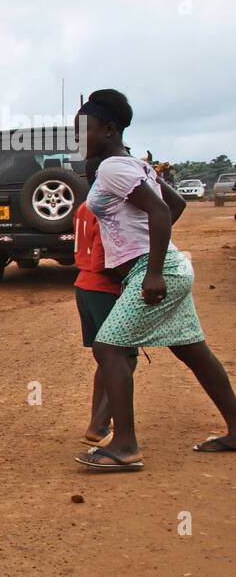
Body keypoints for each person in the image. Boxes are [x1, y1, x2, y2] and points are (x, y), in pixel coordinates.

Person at [75, 88, 236, 470]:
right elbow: (174, 204)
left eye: (86, 131)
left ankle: (125, 446)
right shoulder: (129, 163)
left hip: (156, 272)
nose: (79, 139)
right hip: (162, 268)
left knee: (109, 348)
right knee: (193, 350)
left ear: (111, 129)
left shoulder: (115, 167)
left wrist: (151, 267)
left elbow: (162, 211)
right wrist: (145, 252)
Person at [72, 171, 137, 446]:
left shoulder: (85, 206)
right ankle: (99, 425)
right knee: (124, 357)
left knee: (108, 358)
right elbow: (104, 258)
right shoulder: (107, 208)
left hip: (83, 285)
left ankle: (99, 421)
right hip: (103, 288)